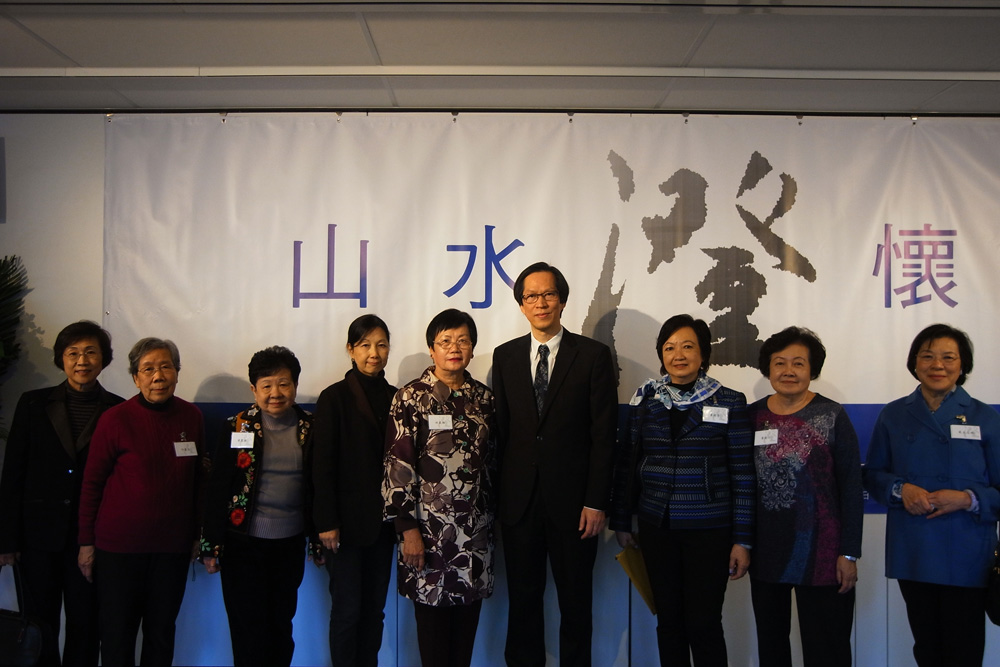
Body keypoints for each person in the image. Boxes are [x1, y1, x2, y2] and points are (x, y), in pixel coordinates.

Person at [610, 313, 754, 666]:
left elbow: (743, 474)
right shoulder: (646, 400)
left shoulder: (729, 401)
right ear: (661, 355)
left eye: (688, 346)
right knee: (669, 622)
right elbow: (628, 462)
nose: (678, 355)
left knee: (704, 624)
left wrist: (743, 540)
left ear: (703, 354)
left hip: (710, 530)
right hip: (657, 527)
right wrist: (622, 521)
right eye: (670, 347)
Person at [492, 262, 617, 667]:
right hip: (520, 505)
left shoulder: (593, 356)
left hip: (576, 506)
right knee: (523, 602)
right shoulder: (505, 356)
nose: (540, 302)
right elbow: (502, 433)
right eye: (531, 296)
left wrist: (596, 501)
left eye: (548, 294)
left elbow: (604, 436)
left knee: (576, 604)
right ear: (521, 305)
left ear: (562, 301)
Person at [863, 323, 1000, 667]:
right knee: (926, 648)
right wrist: (901, 489)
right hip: (915, 546)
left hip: (968, 550)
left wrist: (968, 498)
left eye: (948, 357)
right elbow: (873, 474)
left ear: (962, 364)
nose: (937, 365)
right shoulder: (894, 414)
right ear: (914, 363)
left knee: (964, 650)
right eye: (928, 356)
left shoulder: (985, 417)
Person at [0, 321, 124, 667]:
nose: (82, 360)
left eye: (90, 352)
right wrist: (7, 539)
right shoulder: (33, 403)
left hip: (92, 538)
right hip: (37, 537)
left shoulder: (118, 410)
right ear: (62, 359)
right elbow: (13, 473)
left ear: (103, 358)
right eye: (73, 353)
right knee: (39, 625)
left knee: (86, 624)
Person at [77, 337, 204, 667]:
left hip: (171, 549)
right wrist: (86, 542)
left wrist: (197, 534)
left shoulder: (191, 417)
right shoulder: (115, 419)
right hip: (119, 550)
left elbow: (198, 483)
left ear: (177, 372)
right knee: (117, 635)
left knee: (161, 634)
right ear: (135, 378)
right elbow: (92, 484)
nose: (158, 376)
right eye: (148, 369)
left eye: (165, 367)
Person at [383, 308, 496, 667]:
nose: (454, 348)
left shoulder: (485, 399)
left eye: (463, 340)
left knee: (464, 641)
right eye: (445, 341)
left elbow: (495, 464)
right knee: (433, 643)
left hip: (474, 537)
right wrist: (407, 530)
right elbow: (398, 466)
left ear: (473, 348)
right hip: (428, 536)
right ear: (432, 349)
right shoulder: (410, 398)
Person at [748, 327, 862, 667]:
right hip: (766, 551)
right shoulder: (751, 417)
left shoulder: (833, 415)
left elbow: (851, 487)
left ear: (813, 370)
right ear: (768, 369)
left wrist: (849, 552)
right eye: (779, 363)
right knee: (772, 647)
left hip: (824, 553)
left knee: (827, 649)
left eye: (798, 363)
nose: (788, 371)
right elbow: (741, 484)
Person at [200, 346, 318, 667]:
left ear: (295, 385)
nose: (275, 393)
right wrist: (210, 545)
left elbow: (318, 486)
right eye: (266, 386)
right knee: (248, 630)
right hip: (242, 545)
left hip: (289, 544)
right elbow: (218, 487)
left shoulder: (311, 427)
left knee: (281, 626)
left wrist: (318, 540)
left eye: (284, 384)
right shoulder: (237, 426)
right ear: (254, 390)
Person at [312, 315, 397, 667]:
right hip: (344, 528)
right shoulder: (334, 398)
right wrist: (326, 522)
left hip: (383, 525)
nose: (373, 353)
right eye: (365, 345)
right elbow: (321, 465)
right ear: (350, 350)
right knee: (347, 611)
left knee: (374, 611)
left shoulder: (397, 397)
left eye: (381, 345)